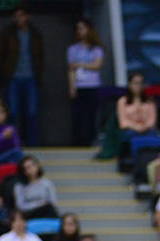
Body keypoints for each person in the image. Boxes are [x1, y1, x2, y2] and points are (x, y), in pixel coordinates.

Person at [0, 3, 44, 145]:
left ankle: (32, 144)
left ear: (28, 17)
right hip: (13, 77)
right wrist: (1, 77)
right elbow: (0, 55)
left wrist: (39, 76)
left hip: (31, 77)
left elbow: (40, 57)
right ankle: (12, 143)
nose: (19, 19)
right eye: (16, 16)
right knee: (12, 112)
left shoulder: (35, 34)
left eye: (22, 16)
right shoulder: (8, 33)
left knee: (31, 113)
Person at [67, 18, 104, 147]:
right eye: (78, 28)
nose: (80, 31)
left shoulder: (96, 49)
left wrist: (80, 64)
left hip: (92, 85)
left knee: (91, 115)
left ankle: (91, 141)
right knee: (78, 116)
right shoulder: (73, 49)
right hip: (79, 85)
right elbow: (71, 69)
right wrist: (72, 87)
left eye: (82, 28)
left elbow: (97, 65)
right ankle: (78, 143)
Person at [117, 71, 156, 136]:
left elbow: (152, 121)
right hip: (129, 132)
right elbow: (123, 122)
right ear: (129, 84)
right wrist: (136, 127)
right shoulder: (122, 101)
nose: (139, 86)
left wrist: (144, 126)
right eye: (135, 83)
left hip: (148, 131)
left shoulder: (149, 101)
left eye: (141, 83)